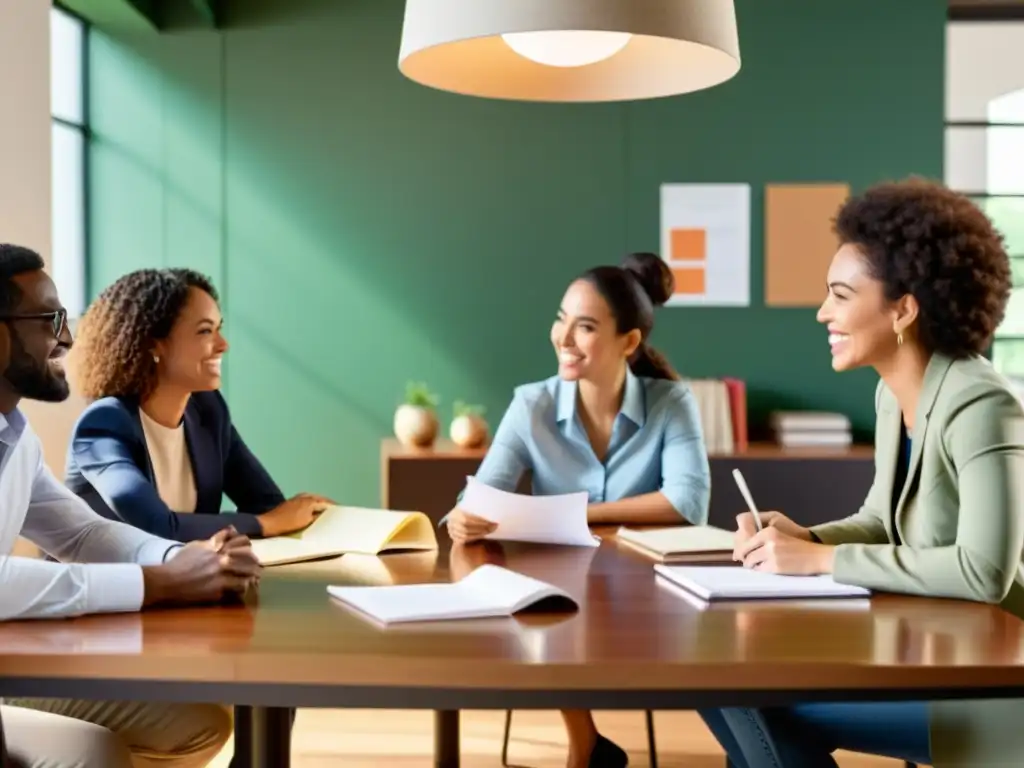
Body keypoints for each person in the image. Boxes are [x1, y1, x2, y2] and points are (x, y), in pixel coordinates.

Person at [697, 178, 1024, 768]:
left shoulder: (981, 405)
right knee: (721, 687)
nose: (823, 312)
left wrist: (822, 561)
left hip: (992, 683)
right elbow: (881, 517)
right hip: (930, 651)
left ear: (903, 308)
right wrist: (807, 538)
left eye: (841, 295)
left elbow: (985, 572)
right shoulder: (889, 395)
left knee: (752, 700)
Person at [445, 252, 711, 768]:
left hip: (643, 582)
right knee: (542, 609)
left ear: (628, 342)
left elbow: (687, 502)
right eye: (561, 319)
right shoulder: (532, 405)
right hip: (559, 580)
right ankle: (584, 742)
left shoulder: (671, 402)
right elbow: (481, 493)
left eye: (584, 326)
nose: (563, 338)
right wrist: (461, 514)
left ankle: (586, 749)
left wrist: (576, 515)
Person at [0, 244, 261, 766]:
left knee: (198, 724)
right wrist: (160, 583)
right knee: (96, 751)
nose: (67, 339)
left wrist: (178, 561)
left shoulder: (17, 437)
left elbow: (83, 533)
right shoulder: (107, 422)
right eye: (49, 320)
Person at [63, 267, 331, 542]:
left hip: (182, 580)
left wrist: (310, 513)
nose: (223, 344)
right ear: (154, 344)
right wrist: (267, 523)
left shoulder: (208, 410)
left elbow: (267, 505)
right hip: (104, 583)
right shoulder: (103, 425)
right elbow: (158, 527)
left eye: (219, 329)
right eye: (205, 331)